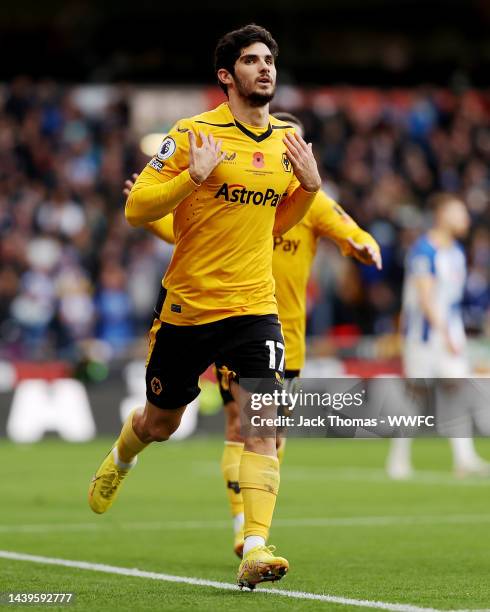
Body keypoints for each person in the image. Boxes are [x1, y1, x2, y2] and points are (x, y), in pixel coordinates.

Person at [88, 24, 322, 590]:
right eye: (251, 60)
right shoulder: (193, 134)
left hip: (254, 307)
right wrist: (189, 180)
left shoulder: (285, 140)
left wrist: (309, 189)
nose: (265, 68)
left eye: (270, 59)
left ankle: (256, 546)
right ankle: (123, 455)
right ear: (227, 76)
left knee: (263, 422)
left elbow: (272, 226)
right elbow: (137, 209)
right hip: (189, 308)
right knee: (160, 422)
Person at [123, 111, 382, 557]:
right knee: (242, 425)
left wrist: (362, 243)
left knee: (271, 435)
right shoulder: (237, 187)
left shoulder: (311, 200)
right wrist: (153, 215)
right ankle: (246, 531)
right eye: (284, 145)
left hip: (287, 334)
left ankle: (253, 532)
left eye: (297, 146)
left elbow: (348, 226)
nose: (288, 153)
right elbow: (187, 234)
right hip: (228, 318)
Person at [386, 193, 490, 479]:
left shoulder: (456, 252)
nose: (466, 219)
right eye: (460, 212)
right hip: (424, 337)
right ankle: (398, 459)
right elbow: (425, 297)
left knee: (457, 389)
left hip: (449, 333)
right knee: (416, 397)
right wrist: (445, 334)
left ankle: (464, 458)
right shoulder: (423, 251)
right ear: (443, 214)